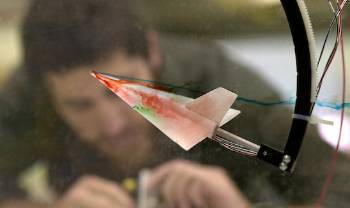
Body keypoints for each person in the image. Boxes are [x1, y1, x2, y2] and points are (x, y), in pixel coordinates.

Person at [0, 0, 349, 207]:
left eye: (121, 93)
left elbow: (339, 184)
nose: (111, 125)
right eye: (79, 106)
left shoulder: (222, 89)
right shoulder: (29, 92)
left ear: (152, 54)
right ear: (44, 91)